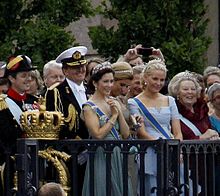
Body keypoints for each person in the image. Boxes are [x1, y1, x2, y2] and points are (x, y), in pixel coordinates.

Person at [128, 59, 182, 195]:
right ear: (145, 78)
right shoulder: (134, 102)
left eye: (162, 79)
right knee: (152, 188)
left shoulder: (170, 100)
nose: (158, 83)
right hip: (149, 151)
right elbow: (141, 132)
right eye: (155, 78)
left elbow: (177, 131)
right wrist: (160, 145)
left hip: (170, 149)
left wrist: (177, 148)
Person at [82, 62, 133, 196]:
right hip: (101, 154)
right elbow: (98, 135)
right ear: (95, 83)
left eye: (111, 81)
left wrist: (119, 113)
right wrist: (114, 116)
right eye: (105, 81)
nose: (109, 85)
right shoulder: (89, 107)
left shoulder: (113, 101)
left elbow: (126, 134)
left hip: (118, 153)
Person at [45, 46, 89, 195]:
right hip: (71, 153)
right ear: (65, 70)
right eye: (75, 67)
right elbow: (57, 124)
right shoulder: (56, 92)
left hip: (94, 151)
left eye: (82, 66)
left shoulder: (91, 90)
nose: (81, 70)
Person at [0, 55, 37, 195]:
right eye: (23, 75)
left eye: (30, 75)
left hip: (35, 162)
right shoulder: (2, 105)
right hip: (12, 165)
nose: (28, 79)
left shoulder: (35, 102)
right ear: (11, 78)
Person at [168, 71, 219, 140]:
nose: (190, 92)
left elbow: (209, 132)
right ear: (177, 93)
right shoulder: (173, 113)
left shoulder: (202, 111)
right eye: (185, 89)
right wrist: (201, 138)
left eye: (193, 89)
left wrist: (213, 135)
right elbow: (175, 140)